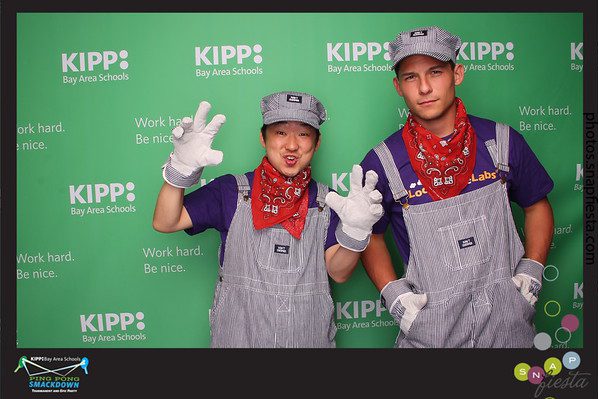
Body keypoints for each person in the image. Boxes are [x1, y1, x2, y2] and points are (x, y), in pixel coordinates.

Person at [359, 26, 554, 348]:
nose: (424, 87)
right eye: (410, 77)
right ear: (398, 86)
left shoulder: (502, 142)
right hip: (431, 333)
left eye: (435, 72)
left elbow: (537, 205)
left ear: (457, 74)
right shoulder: (383, 161)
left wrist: (532, 269)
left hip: (509, 329)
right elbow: (371, 235)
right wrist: (394, 295)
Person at [153, 91, 383, 348]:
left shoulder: (327, 202)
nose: (292, 145)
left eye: (304, 134)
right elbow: (165, 222)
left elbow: (338, 273)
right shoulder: (229, 192)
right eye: (281, 132)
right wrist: (180, 171)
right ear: (263, 137)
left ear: (317, 143)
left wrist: (356, 231)